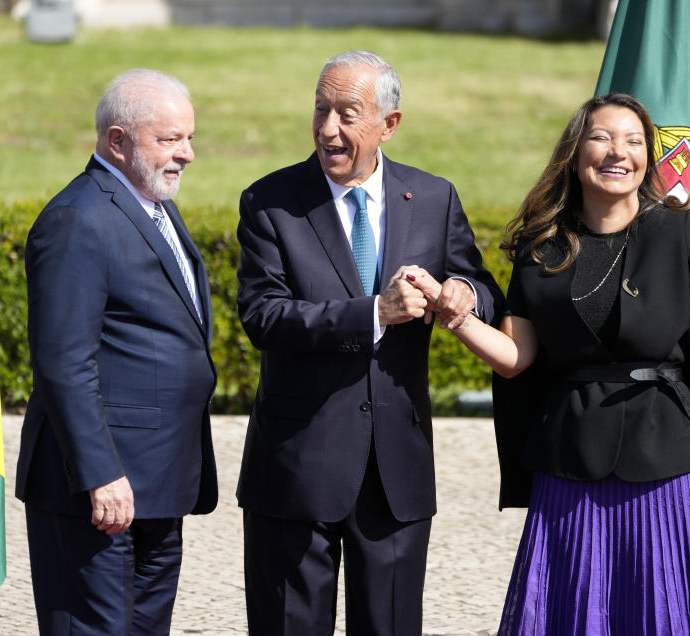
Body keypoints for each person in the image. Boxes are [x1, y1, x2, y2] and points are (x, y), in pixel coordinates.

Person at [404, 93, 690, 634]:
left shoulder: (680, 231)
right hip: (569, 463)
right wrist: (452, 315)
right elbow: (516, 357)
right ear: (574, 152)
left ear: (647, 158)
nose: (620, 152)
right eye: (603, 138)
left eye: (635, 142)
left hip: (671, 464)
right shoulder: (540, 245)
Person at [235, 50, 505, 635]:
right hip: (296, 471)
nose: (328, 129)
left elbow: (483, 285)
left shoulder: (434, 198)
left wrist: (463, 292)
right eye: (320, 110)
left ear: (389, 124)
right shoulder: (270, 202)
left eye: (347, 113)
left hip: (394, 475)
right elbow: (263, 315)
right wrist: (373, 313)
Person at [15, 69, 217, 635]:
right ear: (118, 141)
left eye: (189, 137)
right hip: (98, 492)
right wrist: (101, 473)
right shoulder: (78, 219)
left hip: (159, 484)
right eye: (170, 139)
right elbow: (62, 362)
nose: (188, 154)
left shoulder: (149, 200)